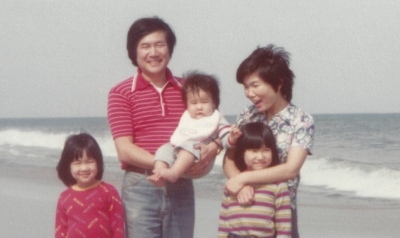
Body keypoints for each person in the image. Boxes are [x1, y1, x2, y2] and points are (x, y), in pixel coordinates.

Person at [107, 17, 219, 238]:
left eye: (160, 44)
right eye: (145, 46)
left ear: (169, 48)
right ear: (134, 52)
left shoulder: (189, 89)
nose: (154, 52)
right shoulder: (120, 93)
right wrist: (166, 167)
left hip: (182, 184)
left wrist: (213, 148)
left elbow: (213, 126)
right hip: (140, 185)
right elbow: (124, 149)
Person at [223, 44, 314, 238]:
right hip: (242, 209)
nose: (249, 93)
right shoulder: (247, 115)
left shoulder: (301, 120)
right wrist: (240, 185)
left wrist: (244, 178)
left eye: (255, 85)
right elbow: (229, 158)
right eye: (246, 87)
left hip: (279, 212)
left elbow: (290, 169)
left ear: (278, 83)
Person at [147, 72, 240, 187]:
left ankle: (173, 173)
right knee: (163, 149)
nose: (199, 107)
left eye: (204, 102)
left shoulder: (216, 119)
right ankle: (159, 175)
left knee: (190, 147)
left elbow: (226, 138)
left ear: (214, 103)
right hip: (180, 155)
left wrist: (232, 137)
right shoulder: (188, 118)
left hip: (199, 159)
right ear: (187, 104)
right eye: (194, 103)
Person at [218, 122, 291, 238]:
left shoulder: (278, 186)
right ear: (242, 154)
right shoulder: (234, 183)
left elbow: (284, 228)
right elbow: (223, 222)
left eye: (266, 150)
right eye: (254, 151)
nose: (261, 157)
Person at [55, 133, 124, 238]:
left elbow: (118, 229)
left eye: (89, 161)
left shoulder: (109, 191)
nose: (84, 168)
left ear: (98, 162)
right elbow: (60, 232)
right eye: (77, 163)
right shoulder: (64, 197)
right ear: (68, 166)